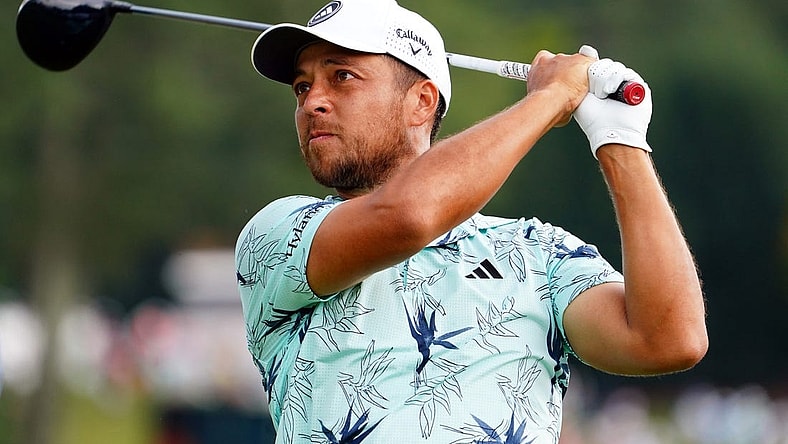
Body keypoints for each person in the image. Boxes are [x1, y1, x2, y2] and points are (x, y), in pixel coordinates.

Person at [234, 0, 708, 442]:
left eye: (342, 77)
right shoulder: (280, 233)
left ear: (421, 102)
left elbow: (667, 340)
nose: (311, 102)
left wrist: (619, 138)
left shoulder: (537, 252)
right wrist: (553, 97)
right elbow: (408, 216)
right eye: (302, 86)